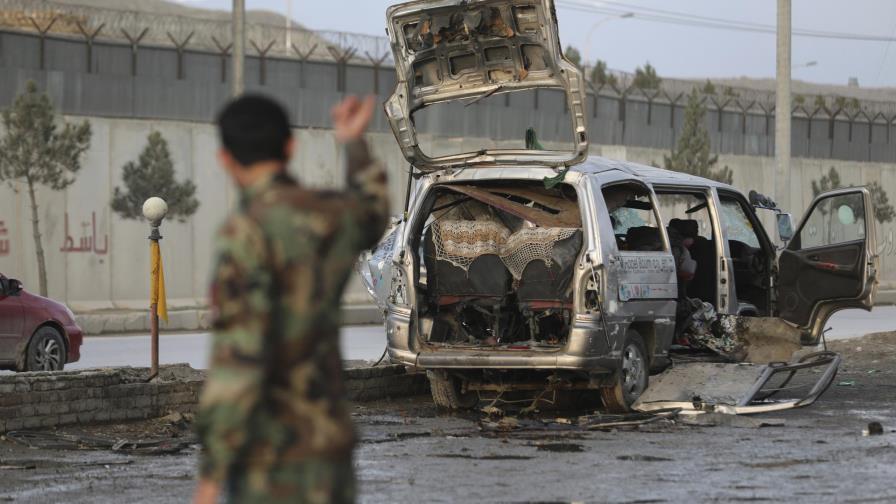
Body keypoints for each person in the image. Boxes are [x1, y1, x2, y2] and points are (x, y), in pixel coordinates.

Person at [193, 94, 389, 504]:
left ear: (225, 159)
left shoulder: (245, 233)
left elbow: (240, 358)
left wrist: (213, 472)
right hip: (330, 451)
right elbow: (374, 211)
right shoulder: (332, 214)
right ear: (290, 148)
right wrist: (353, 143)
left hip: (272, 461)